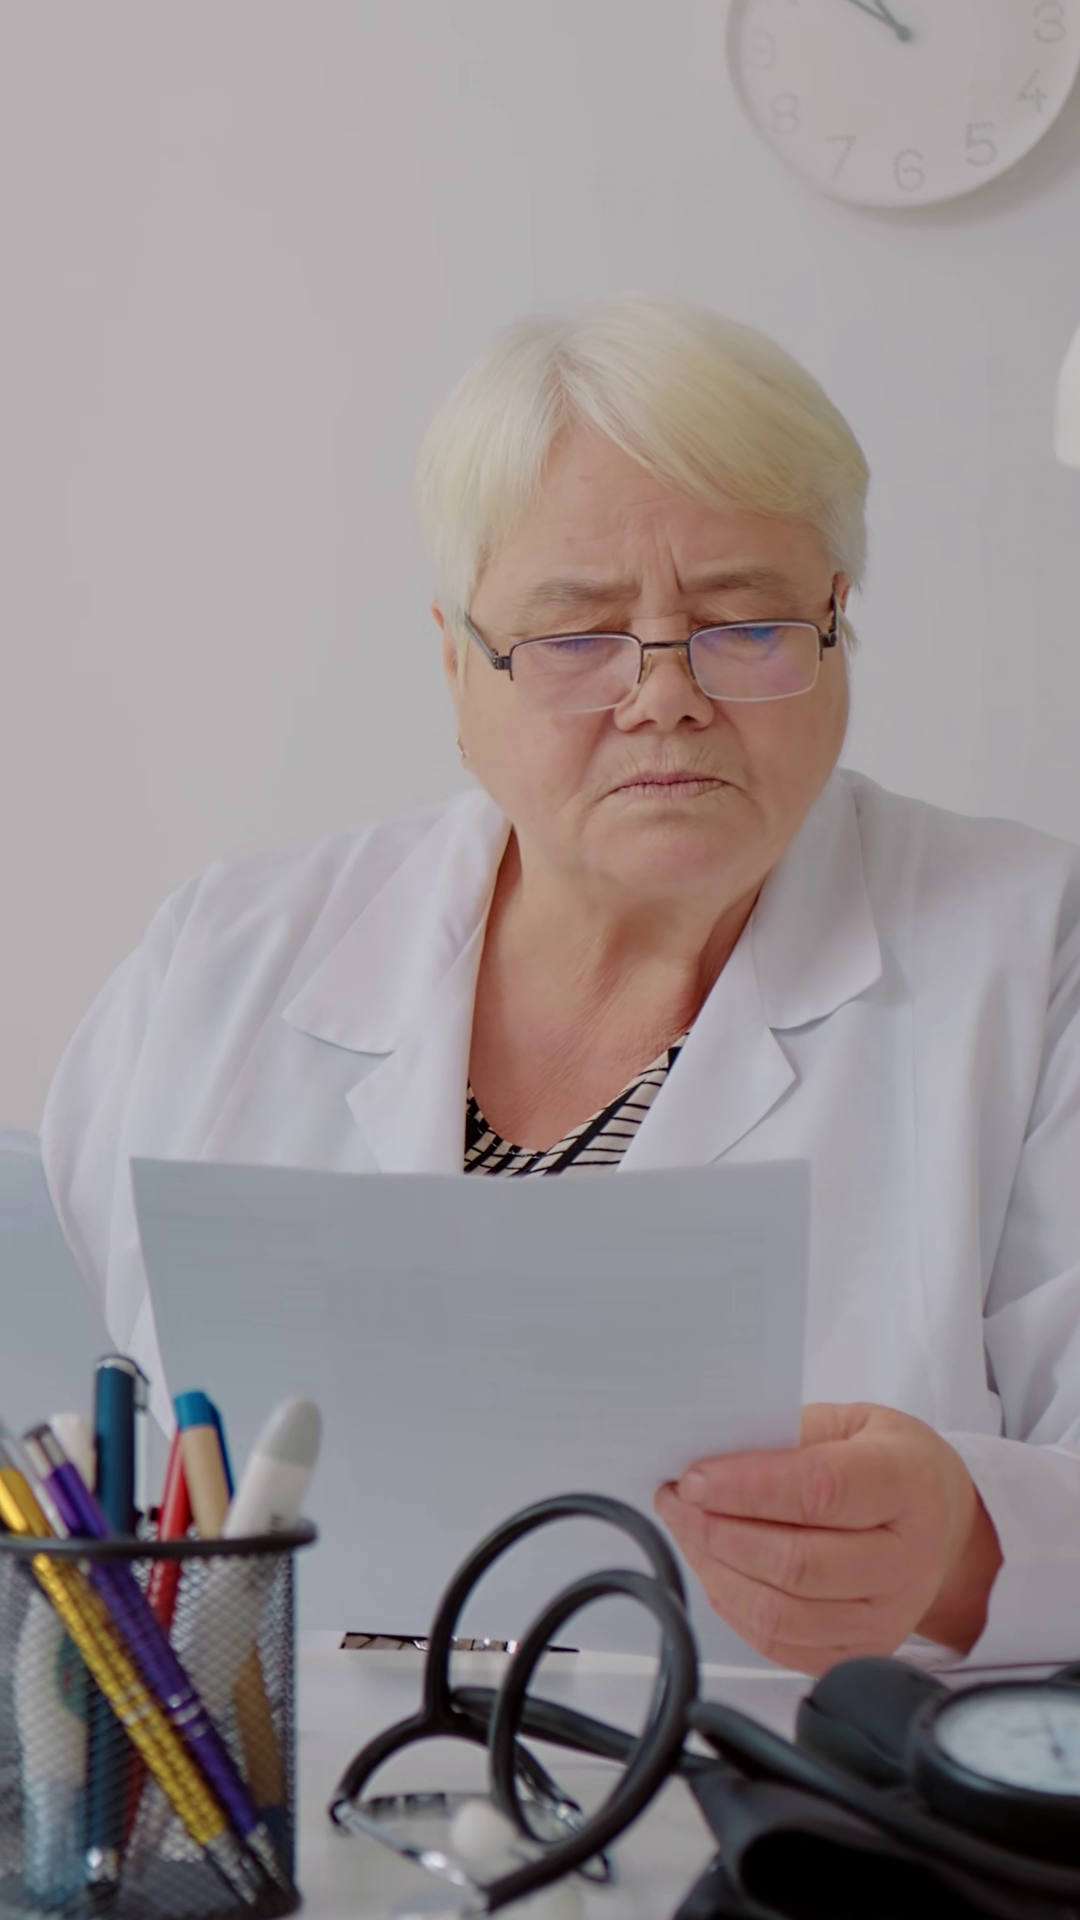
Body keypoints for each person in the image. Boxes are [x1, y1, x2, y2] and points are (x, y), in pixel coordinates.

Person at [40, 297, 1080, 1676]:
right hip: (282, 1791)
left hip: (781, 1792)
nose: (665, 697)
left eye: (746, 623)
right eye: (578, 636)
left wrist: (968, 1547)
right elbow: (78, 1427)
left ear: (838, 627)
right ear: (456, 661)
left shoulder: (1031, 953)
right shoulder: (220, 961)